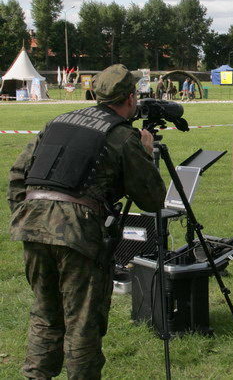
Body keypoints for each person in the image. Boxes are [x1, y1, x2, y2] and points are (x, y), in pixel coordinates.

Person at [7, 64, 167, 379]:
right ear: (130, 98)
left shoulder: (59, 121)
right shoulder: (122, 135)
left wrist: (22, 215)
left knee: (45, 315)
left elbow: (18, 174)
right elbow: (152, 199)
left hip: (32, 225)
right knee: (82, 322)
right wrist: (147, 153)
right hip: (75, 231)